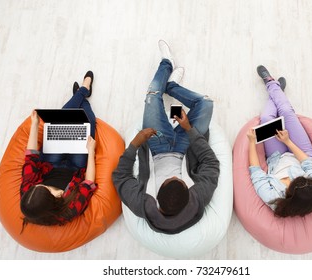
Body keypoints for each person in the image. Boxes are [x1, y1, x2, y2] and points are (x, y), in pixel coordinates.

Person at [112, 40, 220, 234]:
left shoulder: (143, 205)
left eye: (169, 179)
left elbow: (120, 177)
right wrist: (189, 130)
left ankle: (166, 64)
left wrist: (135, 145)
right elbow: (211, 163)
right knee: (206, 104)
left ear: (157, 198)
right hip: (186, 147)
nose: (173, 175)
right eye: (177, 179)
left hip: (156, 146)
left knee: (153, 95)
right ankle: (172, 86)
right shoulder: (198, 199)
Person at [20, 71, 97, 230]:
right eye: (45, 187)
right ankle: (82, 93)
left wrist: (34, 124)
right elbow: (88, 183)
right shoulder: (69, 209)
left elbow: (31, 158)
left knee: (63, 117)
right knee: (87, 121)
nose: (37, 185)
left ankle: (83, 90)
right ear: (54, 199)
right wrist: (91, 152)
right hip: (76, 168)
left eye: (37, 185)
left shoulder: (29, 194)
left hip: (51, 163)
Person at [247, 65, 312, 217]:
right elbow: (309, 165)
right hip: (303, 153)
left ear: (289, 191)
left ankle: (276, 90)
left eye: (301, 178)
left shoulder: (273, 198)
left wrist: (252, 142)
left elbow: (256, 173)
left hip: (276, 158)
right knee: (286, 112)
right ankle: (271, 83)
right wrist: (288, 141)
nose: (307, 176)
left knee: (266, 119)